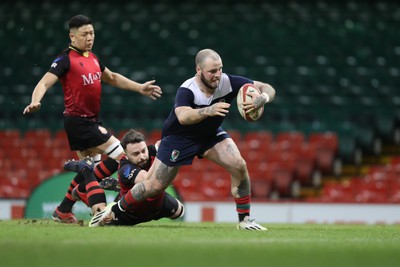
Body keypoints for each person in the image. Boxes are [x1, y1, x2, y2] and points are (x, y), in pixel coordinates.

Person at [94, 48, 275, 230]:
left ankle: (244, 220)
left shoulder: (227, 81)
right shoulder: (188, 89)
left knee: (239, 165)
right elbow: (183, 116)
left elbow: (267, 87)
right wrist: (209, 110)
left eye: (220, 69)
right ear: (198, 70)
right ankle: (115, 210)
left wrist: (262, 97)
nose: (217, 75)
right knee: (154, 186)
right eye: (212, 71)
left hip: (209, 134)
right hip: (178, 138)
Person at [22, 15, 162, 222]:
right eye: (84, 34)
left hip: (89, 121)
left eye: (92, 33)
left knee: (90, 173)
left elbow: (112, 77)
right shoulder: (65, 60)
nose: (89, 38)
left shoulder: (93, 58)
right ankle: (111, 186)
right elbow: (43, 83)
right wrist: (35, 101)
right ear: (72, 36)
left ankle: (63, 209)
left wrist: (139, 87)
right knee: (125, 155)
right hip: (79, 122)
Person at [65, 129, 184, 226]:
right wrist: (162, 155)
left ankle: (119, 185)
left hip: (157, 204)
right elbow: (146, 181)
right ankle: (87, 170)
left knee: (180, 211)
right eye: (136, 154)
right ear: (126, 155)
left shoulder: (152, 151)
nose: (142, 156)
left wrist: (168, 146)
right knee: (100, 219)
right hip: (130, 213)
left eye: (143, 150)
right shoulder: (125, 168)